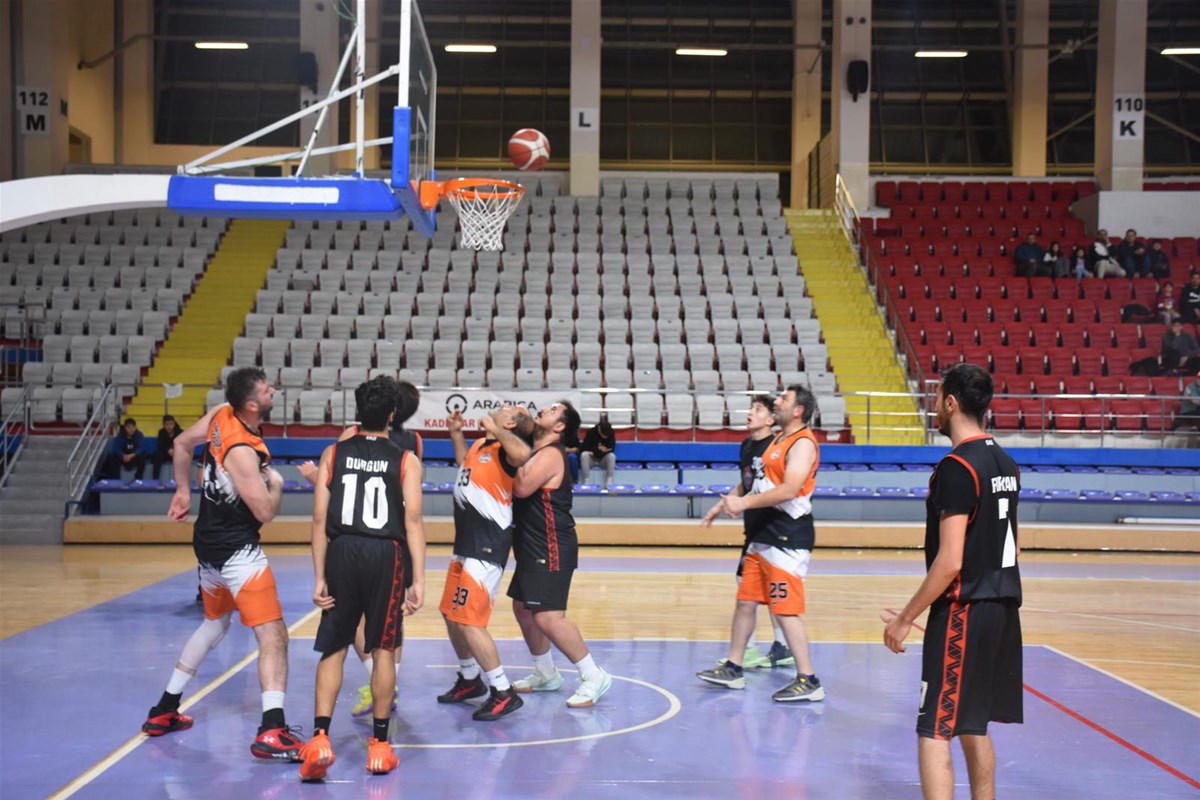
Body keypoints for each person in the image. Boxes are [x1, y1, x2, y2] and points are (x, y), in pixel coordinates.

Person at [143, 367, 306, 761]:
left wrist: (182, 491)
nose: (273, 391)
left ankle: (164, 709)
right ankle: (272, 730)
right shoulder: (243, 451)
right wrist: (277, 485)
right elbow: (265, 512)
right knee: (273, 635)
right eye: (266, 390)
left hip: (208, 544)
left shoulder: (221, 414)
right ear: (251, 404)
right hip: (237, 552)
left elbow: (181, 443)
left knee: (215, 623)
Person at [882, 362, 1024, 800]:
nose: (934, 409)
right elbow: (1006, 545)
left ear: (951, 402)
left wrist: (905, 617)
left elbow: (949, 561)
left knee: (934, 729)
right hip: (1001, 609)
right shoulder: (1006, 462)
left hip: (964, 609)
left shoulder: (957, 467)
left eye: (937, 400)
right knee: (972, 724)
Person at [297, 375, 426, 781]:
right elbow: (414, 522)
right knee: (384, 648)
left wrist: (319, 575)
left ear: (357, 411)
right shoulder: (406, 460)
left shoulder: (333, 453)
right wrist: (418, 580)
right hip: (386, 553)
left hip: (342, 550)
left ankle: (320, 739)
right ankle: (381, 746)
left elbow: (318, 520)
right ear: (392, 414)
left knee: (333, 647)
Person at [696, 385, 825, 703]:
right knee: (745, 601)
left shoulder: (803, 443)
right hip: (762, 536)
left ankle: (808, 679)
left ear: (798, 410)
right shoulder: (778, 440)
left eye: (784, 399)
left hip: (786, 538)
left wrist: (743, 504)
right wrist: (728, 502)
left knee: (785, 611)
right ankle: (734, 666)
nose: (777, 401)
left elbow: (790, 489)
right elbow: (755, 481)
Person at [506, 401, 613, 708]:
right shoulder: (536, 450)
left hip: (550, 545)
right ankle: (545, 673)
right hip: (531, 544)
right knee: (522, 608)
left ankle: (593, 675)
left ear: (560, 426)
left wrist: (505, 438)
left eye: (553, 409)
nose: (544, 409)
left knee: (548, 616)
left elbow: (522, 487)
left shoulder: (552, 454)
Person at [437, 404, 534, 721]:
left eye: (508, 408)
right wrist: (457, 435)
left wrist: (496, 429)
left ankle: (503, 691)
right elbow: (464, 462)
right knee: (451, 613)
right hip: (466, 542)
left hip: (487, 544)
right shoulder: (482, 443)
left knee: (469, 621)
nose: (500, 406)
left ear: (511, 424)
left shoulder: (509, 449)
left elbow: (523, 455)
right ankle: (469, 678)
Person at [700, 394, 795, 671]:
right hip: (754, 528)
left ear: (771, 419)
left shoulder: (776, 447)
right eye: (751, 408)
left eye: (759, 409)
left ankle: (755, 649)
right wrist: (721, 505)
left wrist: (745, 503)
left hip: (772, 528)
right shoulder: (747, 446)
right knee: (757, 588)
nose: (751, 413)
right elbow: (745, 482)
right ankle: (778, 647)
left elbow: (778, 488)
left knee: (752, 588)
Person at [578, 418, 617, 486]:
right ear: (600, 431)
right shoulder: (591, 432)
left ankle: (609, 482)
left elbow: (611, 449)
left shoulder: (611, 433)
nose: (606, 437)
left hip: (603, 459)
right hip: (592, 459)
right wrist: (598, 449)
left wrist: (599, 451)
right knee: (584, 455)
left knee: (612, 456)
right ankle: (586, 481)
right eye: (604, 435)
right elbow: (584, 448)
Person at [152, 415, 180, 481]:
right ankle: (155, 479)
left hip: (177, 453)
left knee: (183, 457)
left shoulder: (180, 432)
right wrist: (168, 450)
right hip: (165, 453)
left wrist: (175, 451)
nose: (169, 426)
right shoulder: (161, 432)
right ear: (163, 425)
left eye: (171, 424)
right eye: (166, 424)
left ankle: (181, 480)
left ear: (174, 424)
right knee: (157, 455)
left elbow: (182, 444)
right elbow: (160, 445)